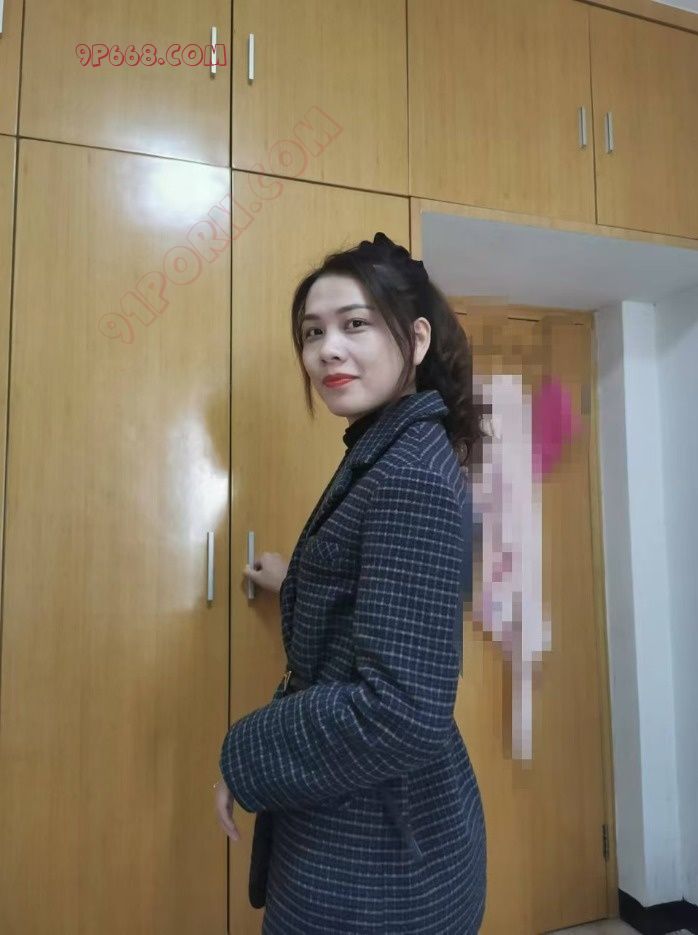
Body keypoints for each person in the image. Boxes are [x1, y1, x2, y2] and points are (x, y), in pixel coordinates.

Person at [214, 232, 488, 934]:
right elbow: (375, 589)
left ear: (416, 339)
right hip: (370, 832)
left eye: (354, 324)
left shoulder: (409, 475)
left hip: (381, 860)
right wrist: (296, 579)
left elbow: (399, 709)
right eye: (313, 332)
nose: (327, 349)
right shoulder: (387, 446)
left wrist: (244, 755)